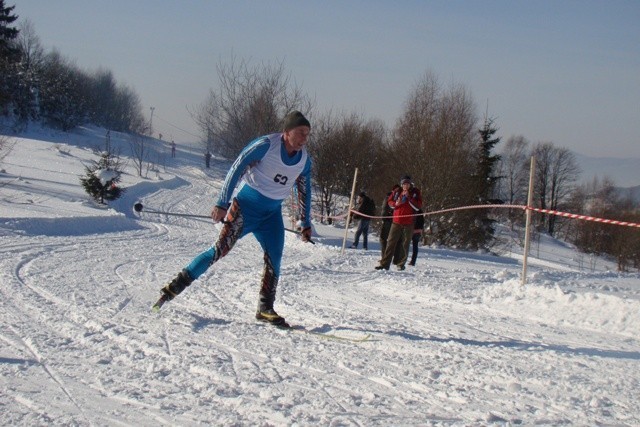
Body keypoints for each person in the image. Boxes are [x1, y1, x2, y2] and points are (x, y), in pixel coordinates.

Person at [154, 111, 314, 328]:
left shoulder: (304, 161)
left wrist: (305, 222)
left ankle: (265, 307)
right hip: (245, 208)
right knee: (220, 250)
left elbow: (304, 189)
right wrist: (222, 203)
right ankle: (174, 287)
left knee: (274, 258)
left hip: (271, 215)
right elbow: (238, 165)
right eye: (300, 133)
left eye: (307, 134)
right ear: (286, 132)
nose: (304, 138)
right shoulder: (266, 145)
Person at [375, 175, 422, 271]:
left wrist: (409, 198)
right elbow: (390, 202)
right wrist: (396, 203)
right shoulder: (397, 191)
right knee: (390, 243)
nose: (406, 186)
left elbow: (418, 207)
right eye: (404, 184)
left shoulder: (415, 192)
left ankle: (401, 264)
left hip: (408, 223)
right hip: (396, 221)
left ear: (410, 184)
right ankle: (385, 264)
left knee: (405, 244)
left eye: (407, 183)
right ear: (401, 184)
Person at [379, 184, 402, 262]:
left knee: (383, 239)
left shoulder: (388, 197)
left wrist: (383, 218)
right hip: (396, 221)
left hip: (388, 221)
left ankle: (385, 257)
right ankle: (395, 258)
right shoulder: (401, 198)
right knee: (395, 240)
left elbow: (384, 209)